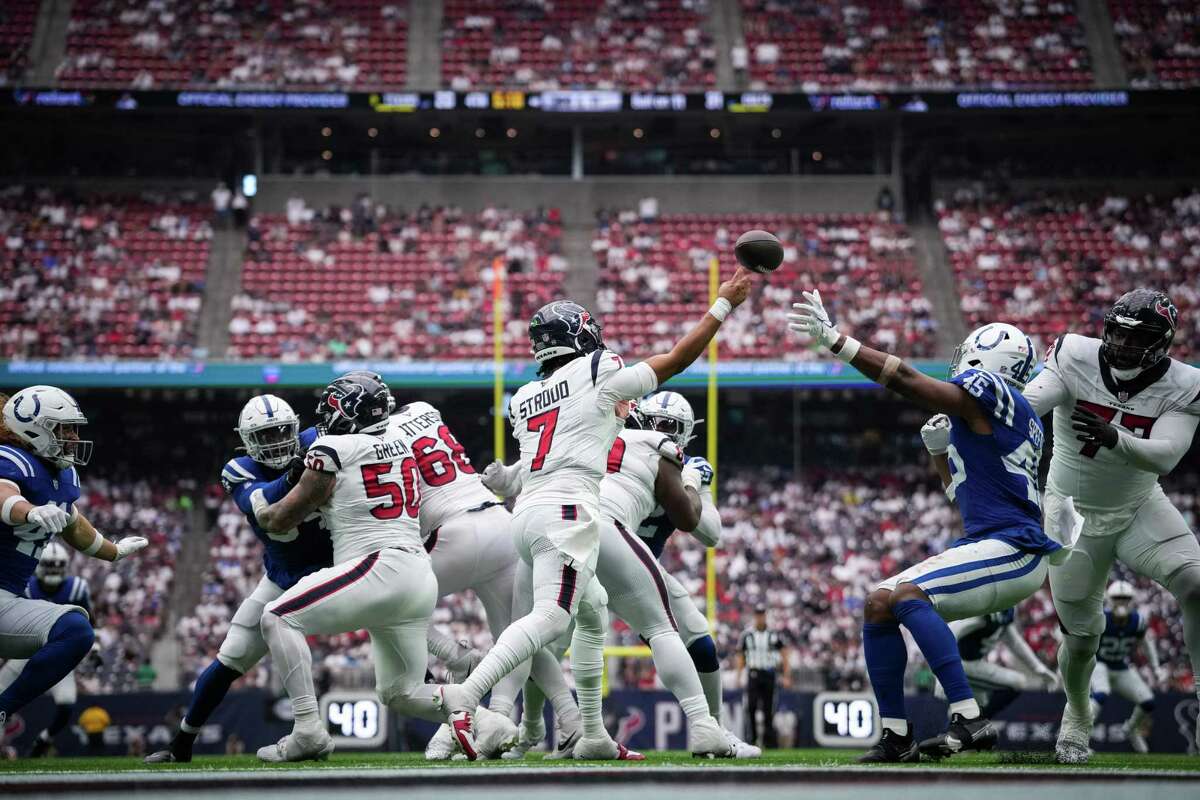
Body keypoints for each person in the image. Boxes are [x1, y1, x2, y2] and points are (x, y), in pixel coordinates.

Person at [445, 268, 754, 759]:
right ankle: (702, 725)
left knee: (589, 617)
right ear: (581, 336)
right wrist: (722, 306)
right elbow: (675, 359)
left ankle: (590, 733)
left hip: (527, 513)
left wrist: (502, 479)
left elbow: (528, 467)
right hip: (572, 514)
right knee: (628, 622)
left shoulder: (524, 398)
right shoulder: (598, 372)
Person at [789, 295, 1060, 763]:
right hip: (991, 540)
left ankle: (969, 715)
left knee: (910, 594)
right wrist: (940, 454)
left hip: (1016, 546)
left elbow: (907, 381)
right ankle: (897, 734)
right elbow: (964, 498)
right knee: (878, 601)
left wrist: (836, 341)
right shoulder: (1001, 417)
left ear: (984, 357)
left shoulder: (996, 394)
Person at [251, 374, 508, 762]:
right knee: (398, 692)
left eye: (330, 404)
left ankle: (306, 729)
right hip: (417, 575)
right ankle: (482, 717)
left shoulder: (332, 448)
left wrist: (257, 502)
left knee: (276, 617)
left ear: (346, 410)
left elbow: (279, 520)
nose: (323, 413)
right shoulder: (400, 443)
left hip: (378, 566)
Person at [1020, 289, 1200, 763]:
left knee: (1196, 582)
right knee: (1081, 639)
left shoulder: (1185, 384)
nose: (1121, 343)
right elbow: (1029, 405)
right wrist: (997, 404)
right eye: (1117, 330)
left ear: (1162, 344)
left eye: (1136, 337)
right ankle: (1077, 714)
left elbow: (1167, 453)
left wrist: (1116, 440)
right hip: (1069, 515)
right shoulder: (1074, 353)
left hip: (1140, 505)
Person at [385, 398, 580, 760]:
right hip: (497, 520)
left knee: (387, 604)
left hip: (452, 532)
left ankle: (458, 660)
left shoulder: (380, 436)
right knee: (519, 641)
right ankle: (569, 719)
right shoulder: (425, 410)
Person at [146, 395, 333, 764]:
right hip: (285, 578)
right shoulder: (239, 469)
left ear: (295, 428)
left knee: (393, 621)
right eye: (264, 436)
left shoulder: (318, 439)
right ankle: (182, 742)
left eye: (281, 431)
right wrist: (297, 473)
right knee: (230, 658)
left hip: (339, 570)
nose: (276, 441)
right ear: (247, 441)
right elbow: (260, 503)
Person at [0, 386, 149, 740]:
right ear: (33, 429)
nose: (73, 437)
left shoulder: (60, 476)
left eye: (73, 428)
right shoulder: (11, 458)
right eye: (64, 428)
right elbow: (3, 495)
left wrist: (113, 552)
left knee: (75, 630)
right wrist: (30, 511)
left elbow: (71, 522)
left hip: (7, 599)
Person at [624, 390, 759, 756]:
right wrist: (694, 483)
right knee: (549, 634)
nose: (662, 432)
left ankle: (713, 730)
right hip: (612, 553)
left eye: (671, 428)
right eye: (657, 425)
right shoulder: (628, 452)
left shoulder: (668, 461)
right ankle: (527, 726)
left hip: (636, 567)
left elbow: (711, 534)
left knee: (699, 637)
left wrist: (699, 486)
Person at [0, 543, 98, 757]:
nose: (53, 570)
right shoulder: (25, 585)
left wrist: (95, 649)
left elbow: (91, 622)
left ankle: (45, 739)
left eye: (57, 566)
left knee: (66, 703)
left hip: (58, 655)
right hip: (28, 652)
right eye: (49, 565)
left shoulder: (77, 587)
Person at [1089, 581, 1166, 754]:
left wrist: (1155, 666)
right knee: (1101, 694)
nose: (1121, 602)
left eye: (1125, 598)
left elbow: (1146, 644)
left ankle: (1131, 729)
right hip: (1099, 663)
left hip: (1121, 666)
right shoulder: (1101, 618)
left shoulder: (1137, 621)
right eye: (1118, 598)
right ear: (1110, 599)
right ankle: (1080, 739)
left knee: (1148, 701)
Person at [941, 607, 1058, 718]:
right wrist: (943, 673)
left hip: (974, 663)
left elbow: (1015, 643)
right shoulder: (982, 614)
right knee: (1017, 682)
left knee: (972, 708)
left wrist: (1039, 668)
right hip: (962, 665)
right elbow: (948, 634)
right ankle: (977, 724)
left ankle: (959, 730)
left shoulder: (1004, 612)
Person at [737, 605, 788, 750]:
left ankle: (769, 741)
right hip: (753, 673)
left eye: (762, 614)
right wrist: (739, 675)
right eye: (758, 615)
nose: (760, 617)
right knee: (751, 707)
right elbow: (741, 656)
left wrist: (786, 674)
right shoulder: (747, 635)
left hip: (769, 673)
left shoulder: (774, 634)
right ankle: (751, 740)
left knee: (768, 709)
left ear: (765, 616)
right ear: (755, 616)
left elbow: (784, 653)